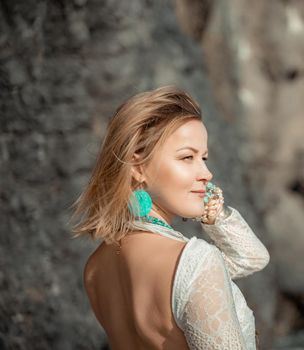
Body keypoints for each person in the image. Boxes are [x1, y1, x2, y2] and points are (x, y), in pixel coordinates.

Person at [71, 86, 270, 349]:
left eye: (204, 158)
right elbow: (247, 260)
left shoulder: (95, 267)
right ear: (138, 167)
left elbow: (252, 258)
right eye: (187, 157)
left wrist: (215, 215)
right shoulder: (196, 262)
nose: (206, 173)